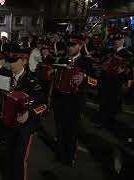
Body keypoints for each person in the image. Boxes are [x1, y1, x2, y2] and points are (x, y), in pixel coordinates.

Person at [53, 34, 98, 166]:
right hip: (60, 99)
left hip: (75, 101)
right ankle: (60, 153)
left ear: (80, 45)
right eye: (69, 45)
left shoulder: (87, 62)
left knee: (72, 130)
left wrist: (84, 78)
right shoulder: (62, 59)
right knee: (59, 128)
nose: (70, 48)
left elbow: (95, 82)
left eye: (73, 45)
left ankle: (69, 156)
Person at [4, 54, 47, 180]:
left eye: (14, 61)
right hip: (9, 124)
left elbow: (44, 105)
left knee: (20, 158)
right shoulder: (7, 78)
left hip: (24, 127)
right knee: (9, 155)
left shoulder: (31, 81)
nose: (11, 65)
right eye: (10, 61)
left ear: (23, 61)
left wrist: (30, 112)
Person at [97, 31, 134, 128]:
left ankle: (109, 122)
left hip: (116, 82)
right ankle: (102, 121)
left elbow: (129, 73)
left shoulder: (127, 54)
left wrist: (127, 85)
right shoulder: (109, 51)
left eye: (119, 39)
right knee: (103, 102)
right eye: (115, 40)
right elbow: (101, 61)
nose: (116, 42)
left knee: (112, 103)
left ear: (124, 40)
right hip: (104, 80)